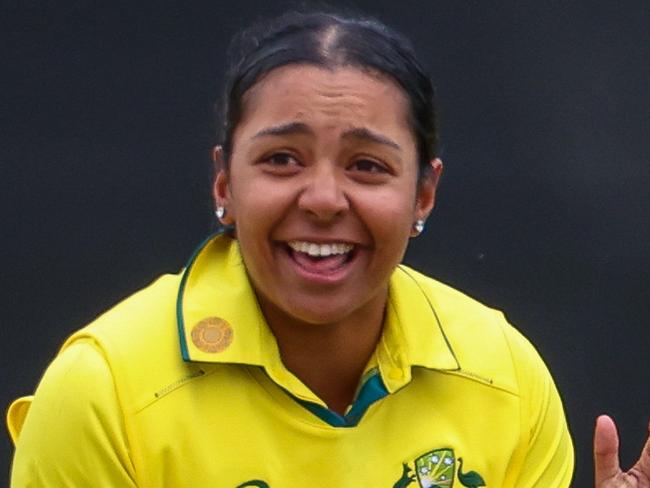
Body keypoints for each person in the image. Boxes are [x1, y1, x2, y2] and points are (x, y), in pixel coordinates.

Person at [6, 10, 649, 488]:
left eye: (367, 166)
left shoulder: (505, 378)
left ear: (424, 193)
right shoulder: (103, 393)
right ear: (224, 180)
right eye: (282, 159)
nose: (322, 199)